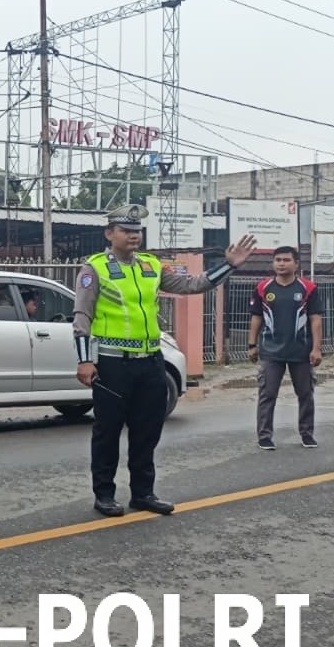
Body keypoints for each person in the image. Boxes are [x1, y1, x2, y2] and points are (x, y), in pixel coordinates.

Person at [73, 204, 258, 518]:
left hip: (150, 362)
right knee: (107, 432)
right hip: (112, 363)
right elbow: (82, 316)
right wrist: (84, 361)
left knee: (147, 431)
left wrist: (228, 265)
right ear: (109, 234)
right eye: (126, 231)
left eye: (137, 231)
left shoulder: (151, 266)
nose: (133, 236)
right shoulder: (95, 269)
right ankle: (104, 494)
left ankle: (143, 493)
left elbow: (192, 285)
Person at [248, 245, 324, 450]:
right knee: (267, 395)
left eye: (286, 260)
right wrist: (252, 345)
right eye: (278, 260)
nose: (282, 264)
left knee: (305, 394)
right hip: (271, 352)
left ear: (296, 264)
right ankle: (265, 436)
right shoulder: (263, 288)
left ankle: (307, 434)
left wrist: (316, 348)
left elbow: (316, 319)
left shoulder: (308, 288)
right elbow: (256, 318)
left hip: (301, 352)